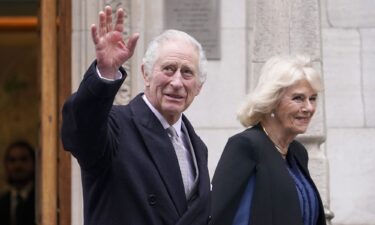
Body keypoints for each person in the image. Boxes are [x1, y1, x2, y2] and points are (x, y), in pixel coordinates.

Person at [61, 6, 210, 225]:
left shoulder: (197, 146)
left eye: (187, 72)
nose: (177, 82)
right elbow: (79, 129)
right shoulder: (115, 127)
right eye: (168, 69)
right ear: (146, 74)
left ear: (198, 87)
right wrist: (105, 74)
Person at [210, 55, 327, 225]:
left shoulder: (297, 152)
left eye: (313, 98)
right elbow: (227, 216)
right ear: (272, 100)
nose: (309, 108)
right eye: (298, 98)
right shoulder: (246, 146)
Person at [0, 140, 36, 225]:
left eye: (23, 159)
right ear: (6, 165)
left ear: (34, 163)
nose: (18, 165)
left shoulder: (42, 201)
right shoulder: (1, 203)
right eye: (12, 160)